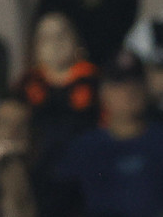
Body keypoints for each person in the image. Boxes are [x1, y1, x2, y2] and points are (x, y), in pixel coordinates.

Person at [55, 52, 163, 217]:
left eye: (136, 82)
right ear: (103, 92)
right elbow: (63, 210)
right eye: (119, 83)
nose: (129, 90)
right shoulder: (84, 148)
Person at [18, 11, 102, 173]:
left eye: (61, 35)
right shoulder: (25, 85)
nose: (55, 43)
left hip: (89, 164)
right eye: (46, 38)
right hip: (39, 168)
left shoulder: (95, 81)